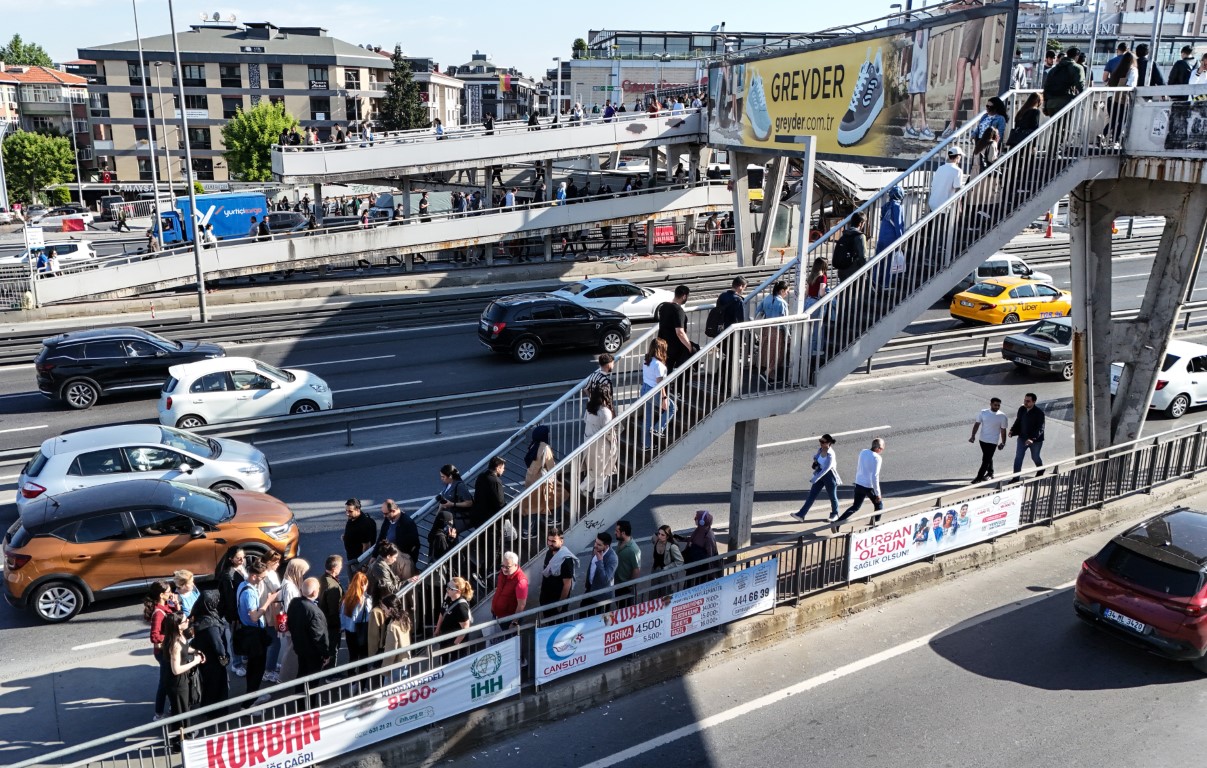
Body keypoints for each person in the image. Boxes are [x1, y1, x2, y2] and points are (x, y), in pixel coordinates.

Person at [940, 13, 985, 139]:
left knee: (962, 64)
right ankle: (976, 124)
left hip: (974, 15)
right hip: (977, 15)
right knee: (974, 67)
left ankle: (953, 125)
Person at [832, 438, 886, 531]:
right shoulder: (877, 458)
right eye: (882, 449)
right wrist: (878, 494)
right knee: (879, 505)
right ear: (878, 448)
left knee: (855, 506)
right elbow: (875, 476)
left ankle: (837, 523)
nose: (882, 451)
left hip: (859, 483)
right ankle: (874, 527)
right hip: (868, 486)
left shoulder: (863, 452)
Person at [188, 590, 231, 709]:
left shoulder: (200, 617)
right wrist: (224, 656)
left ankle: (208, 708)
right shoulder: (211, 623)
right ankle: (216, 711)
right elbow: (217, 643)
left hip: (205, 658)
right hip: (214, 661)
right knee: (216, 686)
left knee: (208, 685)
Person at [145, 580, 179, 720]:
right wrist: (170, 637)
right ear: (161, 595)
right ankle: (158, 713)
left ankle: (172, 706)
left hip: (168, 650)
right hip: (163, 653)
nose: (171, 594)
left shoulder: (166, 605)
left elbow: (176, 616)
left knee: (170, 680)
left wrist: (176, 604)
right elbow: (154, 636)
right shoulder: (158, 613)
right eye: (169, 592)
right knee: (164, 683)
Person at [160, 612, 204, 721]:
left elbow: (185, 648)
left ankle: (185, 730)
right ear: (178, 626)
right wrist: (195, 661)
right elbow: (176, 670)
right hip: (177, 683)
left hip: (183, 679)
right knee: (181, 712)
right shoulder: (174, 644)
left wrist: (196, 651)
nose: (188, 621)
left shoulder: (180, 635)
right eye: (185, 620)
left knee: (185, 709)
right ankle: (182, 731)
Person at [521, 425, 564, 533]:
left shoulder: (533, 445)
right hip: (540, 481)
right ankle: (552, 518)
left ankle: (527, 530)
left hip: (530, 478)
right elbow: (551, 466)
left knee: (532, 505)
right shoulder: (545, 448)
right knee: (557, 495)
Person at [273, 557, 308, 683]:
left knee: (291, 648)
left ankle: (287, 675)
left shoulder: (287, 581)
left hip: (289, 623)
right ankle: (285, 677)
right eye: (302, 572)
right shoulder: (290, 588)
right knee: (291, 650)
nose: (303, 575)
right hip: (293, 624)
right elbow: (290, 609)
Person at [792, 433, 842, 522]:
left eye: (823, 442)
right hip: (820, 474)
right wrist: (815, 461)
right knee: (812, 495)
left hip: (829, 476)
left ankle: (835, 514)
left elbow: (826, 468)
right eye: (820, 441)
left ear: (828, 443)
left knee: (832, 496)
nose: (820, 443)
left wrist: (815, 478)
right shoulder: (820, 450)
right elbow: (817, 458)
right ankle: (801, 515)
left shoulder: (831, 454)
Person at [286, 577, 329, 679]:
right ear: (314, 592)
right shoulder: (315, 612)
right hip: (313, 653)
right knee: (312, 679)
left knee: (302, 674)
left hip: (300, 648)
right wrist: (325, 654)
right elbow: (318, 636)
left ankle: (300, 689)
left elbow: (290, 623)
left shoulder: (294, 603)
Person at [582, 387, 618, 502]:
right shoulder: (605, 412)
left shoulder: (589, 408)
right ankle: (599, 492)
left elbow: (585, 420)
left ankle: (583, 487)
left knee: (593, 469)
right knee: (603, 469)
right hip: (601, 445)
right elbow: (608, 431)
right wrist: (613, 443)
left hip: (588, 442)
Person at [641, 338, 676, 449]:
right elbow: (660, 384)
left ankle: (646, 444)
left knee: (647, 418)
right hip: (654, 391)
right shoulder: (658, 365)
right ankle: (658, 429)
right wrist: (664, 398)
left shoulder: (646, 360)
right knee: (672, 408)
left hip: (644, 389)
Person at [754, 280, 790, 383]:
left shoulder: (767, 298)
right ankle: (768, 373)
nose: (787, 293)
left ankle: (770, 375)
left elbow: (758, 311)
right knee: (777, 353)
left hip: (766, 328)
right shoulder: (782, 303)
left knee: (766, 351)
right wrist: (788, 335)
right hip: (777, 331)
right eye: (787, 291)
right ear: (782, 291)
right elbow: (785, 321)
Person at [539, 528, 577, 618]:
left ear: (561, 541)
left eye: (553, 541)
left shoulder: (566, 560)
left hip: (556, 601)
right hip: (546, 597)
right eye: (549, 540)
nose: (550, 543)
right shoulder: (549, 552)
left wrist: (560, 604)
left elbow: (567, 585)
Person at [904, 27, 934, 140]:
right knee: (920, 82)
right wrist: (920, 31)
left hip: (918, 35)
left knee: (914, 84)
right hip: (921, 34)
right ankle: (923, 126)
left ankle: (909, 125)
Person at [969, 397, 1009, 483]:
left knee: (986, 459)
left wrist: (1003, 442)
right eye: (995, 405)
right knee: (988, 457)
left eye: (998, 405)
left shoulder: (1002, 416)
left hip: (993, 442)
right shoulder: (983, 412)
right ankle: (990, 473)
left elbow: (1003, 430)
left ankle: (979, 478)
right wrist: (973, 436)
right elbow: (977, 424)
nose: (997, 407)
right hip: (982, 440)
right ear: (990, 404)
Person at [368, 593, 412, 667]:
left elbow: (390, 650)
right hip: (405, 659)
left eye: (384, 607)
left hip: (396, 664)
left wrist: (385, 669)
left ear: (390, 609)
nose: (383, 610)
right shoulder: (405, 618)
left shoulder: (392, 626)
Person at [656, 285, 694, 371]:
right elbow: (680, 332)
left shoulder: (664, 306)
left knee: (665, 370)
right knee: (680, 369)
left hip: (662, 344)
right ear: (684, 296)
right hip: (674, 347)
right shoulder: (678, 310)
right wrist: (689, 347)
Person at [339, 571, 372, 665]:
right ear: (363, 585)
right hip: (361, 631)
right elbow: (368, 615)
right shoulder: (364, 600)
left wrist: (343, 627)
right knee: (363, 657)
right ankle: (362, 675)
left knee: (352, 657)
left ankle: (351, 673)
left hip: (349, 632)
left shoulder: (347, 598)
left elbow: (342, 616)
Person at [1042, 47, 1085, 117]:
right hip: (1065, 103)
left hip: (1051, 104)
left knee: (1055, 124)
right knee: (1065, 124)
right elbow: (1080, 85)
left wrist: (1045, 104)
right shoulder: (1077, 67)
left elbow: (1046, 87)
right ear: (1077, 56)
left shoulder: (1054, 69)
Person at [491, 551, 529, 630]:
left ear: (515, 565)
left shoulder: (521, 581)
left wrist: (514, 622)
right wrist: (493, 607)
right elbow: (499, 590)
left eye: (507, 567)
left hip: (509, 620)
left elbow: (521, 605)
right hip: (498, 615)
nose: (504, 569)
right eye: (502, 566)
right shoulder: (503, 573)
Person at [1010, 392, 1046, 474]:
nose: (1025, 402)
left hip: (1035, 441)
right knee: (1018, 457)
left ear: (1034, 402)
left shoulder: (1039, 413)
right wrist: (1012, 430)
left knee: (1035, 457)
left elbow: (1040, 428)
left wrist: (1032, 439)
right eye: (1025, 400)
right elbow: (1018, 420)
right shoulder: (1022, 409)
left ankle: (1041, 469)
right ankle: (1016, 477)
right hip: (1022, 438)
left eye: (1028, 401)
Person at [377, 499, 421, 567]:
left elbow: (412, 545)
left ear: (393, 511)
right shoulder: (388, 519)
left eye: (386, 513)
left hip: (401, 562)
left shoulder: (407, 523)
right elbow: (381, 536)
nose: (384, 516)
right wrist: (374, 555)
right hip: (391, 558)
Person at [433, 577, 473, 648]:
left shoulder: (461, 607)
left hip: (453, 644)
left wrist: (453, 645)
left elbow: (465, 629)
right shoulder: (448, 598)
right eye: (447, 586)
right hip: (445, 638)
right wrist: (437, 628)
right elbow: (442, 612)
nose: (447, 589)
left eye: (450, 588)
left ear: (458, 591)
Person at [317, 556, 344, 663]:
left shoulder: (322, 578)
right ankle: (331, 671)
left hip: (324, 622)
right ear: (334, 568)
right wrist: (339, 625)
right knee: (333, 650)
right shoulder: (332, 586)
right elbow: (333, 609)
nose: (341, 568)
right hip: (331, 625)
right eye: (340, 566)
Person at [582, 532, 618, 607]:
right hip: (590, 589)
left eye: (599, 544)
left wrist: (600, 561)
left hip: (601, 597)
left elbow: (605, 580)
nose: (595, 545)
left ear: (606, 546)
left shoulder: (612, 558)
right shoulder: (596, 549)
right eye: (595, 542)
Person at [470, 457, 506, 529]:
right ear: (498, 468)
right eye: (502, 468)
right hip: (490, 520)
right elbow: (500, 502)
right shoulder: (495, 481)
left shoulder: (481, 476)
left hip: (478, 517)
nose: (503, 470)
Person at [831, 212, 867, 283]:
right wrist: (866, 270)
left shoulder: (845, 234)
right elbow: (863, 256)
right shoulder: (860, 236)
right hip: (854, 271)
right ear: (861, 223)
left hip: (842, 270)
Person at [682, 510, 719, 578]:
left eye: (696, 518)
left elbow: (711, 555)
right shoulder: (699, 530)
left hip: (700, 570)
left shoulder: (708, 536)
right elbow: (692, 539)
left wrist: (711, 575)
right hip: (693, 565)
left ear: (702, 522)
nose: (694, 519)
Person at [928, 146, 965, 214]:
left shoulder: (940, 168)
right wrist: (959, 206)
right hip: (944, 207)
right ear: (958, 157)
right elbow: (958, 190)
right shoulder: (957, 171)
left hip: (932, 204)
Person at [342, 498, 377, 568]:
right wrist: (346, 537)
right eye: (346, 510)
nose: (347, 513)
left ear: (358, 510)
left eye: (350, 511)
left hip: (358, 562)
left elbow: (366, 546)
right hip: (352, 558)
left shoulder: (364, 525)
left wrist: (364, 564)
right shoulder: (353, 518)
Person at [437, 464, 474, 528]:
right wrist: (438, 513)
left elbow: (469, 503)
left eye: (443, 477)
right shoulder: (448, 484)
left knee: (448, 533)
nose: (441, 479)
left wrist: (452, 504)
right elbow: (444, 499)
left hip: (458, 519)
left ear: (450, 476)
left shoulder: (460, 486)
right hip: (450, 518)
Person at [613, 520, 641, 595]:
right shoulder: (620, 542)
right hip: (618, 584)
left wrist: (630, 586)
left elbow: (636, 570)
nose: (614, 533)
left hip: (625, 587)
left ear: (623, 533)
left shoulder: (633, 550)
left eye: (617, 531)